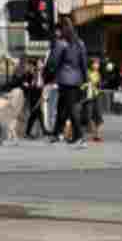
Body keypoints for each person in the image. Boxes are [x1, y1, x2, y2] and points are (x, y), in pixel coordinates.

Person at [44, 17, 91, 148]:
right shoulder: (80, 43)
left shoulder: (61, 43)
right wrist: (86, 79)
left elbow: (53, 62)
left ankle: (80, 138)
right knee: (62, 106)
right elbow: (84, 63)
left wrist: (48, 73)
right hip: (77, 79)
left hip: (64, 79)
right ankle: (57, 134)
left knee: (70, 109)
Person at [15, 50, 47, 140]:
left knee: (35, 112)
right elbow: (24, 80)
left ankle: (28, 132)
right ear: (37, 64)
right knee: (37, 112)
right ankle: (43, 131)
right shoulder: (31, 72)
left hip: (41, 91)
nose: (41, 65)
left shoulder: (44, 72)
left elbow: (47, 81)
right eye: (40, 63)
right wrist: (26, 84)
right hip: (33, 92)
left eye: (42, 63)